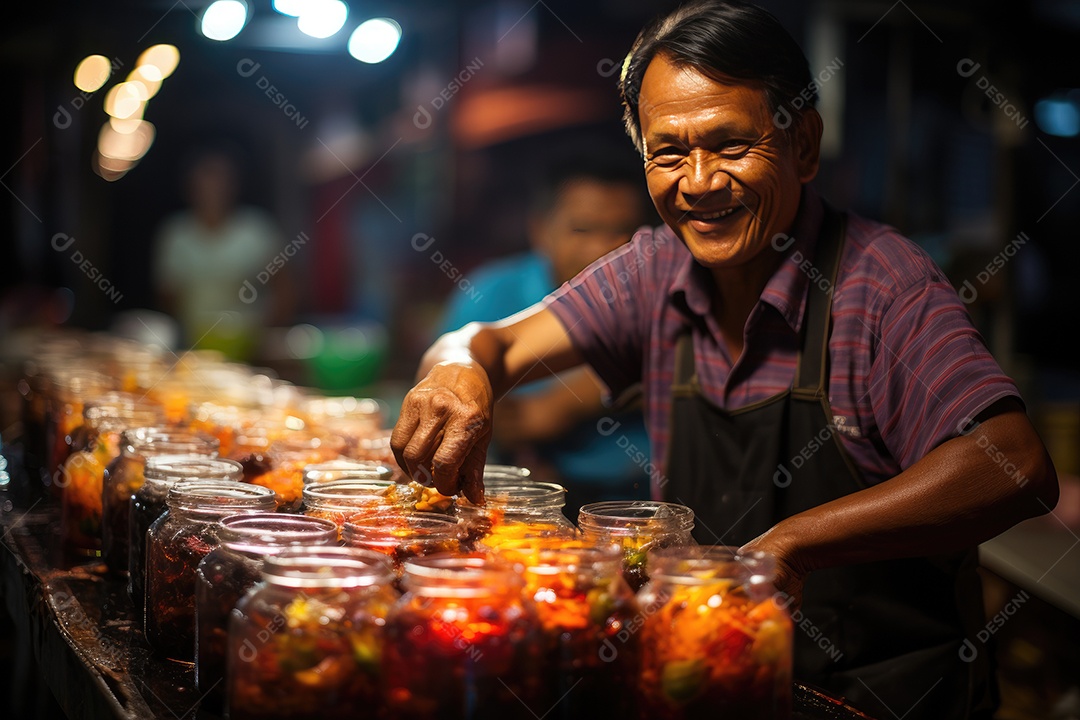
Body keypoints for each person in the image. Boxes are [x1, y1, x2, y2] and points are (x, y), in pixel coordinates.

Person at [390, 2, 1058, 718]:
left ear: (803, 144)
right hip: (712, 679)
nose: (700, 182)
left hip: (874, 697)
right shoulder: (654, 271)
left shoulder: (880, 285)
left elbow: (1012, 464)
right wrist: (459, 369)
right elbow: (490, 340)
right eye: (669, 153)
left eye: (731, 145)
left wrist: (796, 544)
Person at [438, 151, 653, 513]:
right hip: (520, 498)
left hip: (639, 500)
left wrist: (566, 404)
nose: (604, 249)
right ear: (540, 230)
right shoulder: (490, 292)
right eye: (583, 229)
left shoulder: (661, 288)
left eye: (622, 232)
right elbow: (451, 384)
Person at [153, 148, 294, 359]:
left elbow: (285, 290)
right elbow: (168, 295)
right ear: (191, 187)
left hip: (249, 346)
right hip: (194, 345)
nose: (213, 189)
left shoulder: (256, 229)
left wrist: (261, 335)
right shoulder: (176, 234)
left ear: (233, 185)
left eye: (221, 180)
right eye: (206, 180)